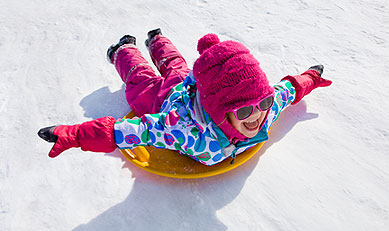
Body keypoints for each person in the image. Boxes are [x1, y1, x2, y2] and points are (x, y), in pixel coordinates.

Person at [38, 29, 332, 166]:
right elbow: (131, 131)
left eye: (263, 103)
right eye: (243, 112)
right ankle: (122, 50)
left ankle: (157, 40)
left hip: (192, 82)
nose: (257, 116)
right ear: (220, 111)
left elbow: (285, 91)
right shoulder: (185, 131)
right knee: (140, 79)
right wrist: (77, 134)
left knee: (177, 65)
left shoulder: (265, 108)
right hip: (163, 100)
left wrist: (310, 78)